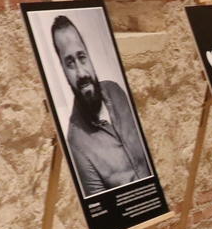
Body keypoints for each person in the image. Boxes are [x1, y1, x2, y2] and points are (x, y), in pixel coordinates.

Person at [50, 15, 152, 196]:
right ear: (63, 70)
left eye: (82, 57)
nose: (81, 72)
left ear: (89, 56)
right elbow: (103, 208)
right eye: (70, 63)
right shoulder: (77, 143)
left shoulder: (117, 92)